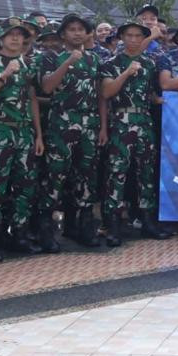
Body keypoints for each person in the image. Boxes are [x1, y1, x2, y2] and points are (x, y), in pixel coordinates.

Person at [0, 18, 45, 261]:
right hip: (1, 132)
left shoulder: (26, 65)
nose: (16, 38)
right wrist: (3, 75)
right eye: (11, 35)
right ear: (2, 39)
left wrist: (38, 134)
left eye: (20, 34)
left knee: (24, 186)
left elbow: (32, 99)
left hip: (25, 132)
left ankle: (18, 235)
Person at [101, 20, 170, 241]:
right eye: (129, 35)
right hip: (121, 119)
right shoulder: (111, 63)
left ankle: (147, 220)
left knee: (146, 172)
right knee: (116, 172)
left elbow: (148, 92)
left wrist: (158, 100)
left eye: (138, 36)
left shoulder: (149, 64)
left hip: (144, 119)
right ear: (122, 38)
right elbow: (107, 92)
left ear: (143, 39)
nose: (133, 39)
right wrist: (126, 73)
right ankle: (112, 223)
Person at [39, 14, 103, 250]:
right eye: (72, 29)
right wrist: (67, 63)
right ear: (63, 34)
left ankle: (83, 227)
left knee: (86, 176)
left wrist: (103, 126)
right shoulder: (51, 58)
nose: (77, 33)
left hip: (89, 124)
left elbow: (99, 94)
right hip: (62, 124)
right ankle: (47, 231)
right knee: (56, 176)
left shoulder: (95, 59)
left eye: (81, 29)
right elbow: (46, 87)